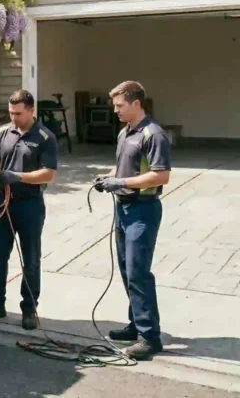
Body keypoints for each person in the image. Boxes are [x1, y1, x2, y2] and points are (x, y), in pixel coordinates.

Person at [94, 81, 171, 360]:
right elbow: (123, 167)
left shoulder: (154, 134)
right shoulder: (125, 133)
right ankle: (136, 324)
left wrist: (121, 182)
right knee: (127, 270)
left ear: (136, 104)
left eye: (119, 105)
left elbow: (161, 175)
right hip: (124, 209)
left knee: (139, 272)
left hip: (143, 209)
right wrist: (109, 178)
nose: (115, 110)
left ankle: (150, 338)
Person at [0, 90, 58, 330]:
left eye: (19, 114)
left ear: (31, 111)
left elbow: (48, 174)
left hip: (30, 204)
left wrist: (17, 176)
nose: (14, 118)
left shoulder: (45, 137)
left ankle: (29, 308)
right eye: (11, 113)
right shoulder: (3, 132)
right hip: (3, 202)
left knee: (31, 259)